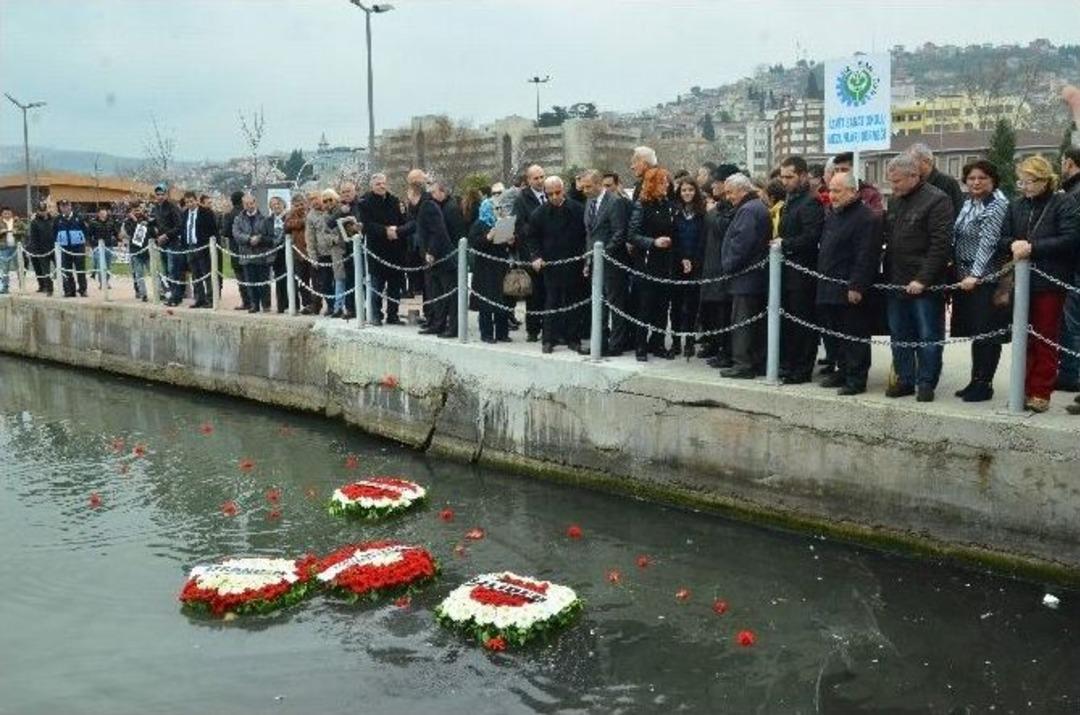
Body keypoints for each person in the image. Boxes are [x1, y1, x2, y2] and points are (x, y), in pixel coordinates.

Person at [998, 156, 1078, 413]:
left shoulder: (1063, 202)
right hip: (1021, 280)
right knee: (1023, 336)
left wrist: (1034, 248)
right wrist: (1012, 244)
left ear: (1045, 179)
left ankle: (1040, 390)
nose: (1026, 186)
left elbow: (1071, 239)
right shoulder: (1016, 205)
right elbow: (1003, 237)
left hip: (1050, 279)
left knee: (1045, 335)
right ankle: (1021, 387)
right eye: (1022, 181)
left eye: (1031, 181)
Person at [882, 153, 953, 402]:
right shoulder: (895, 201)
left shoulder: (937, 200)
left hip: (924, 284)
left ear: (914, 176)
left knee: (928, 336)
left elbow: (940, 245)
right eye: (891, 182)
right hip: (896, 280)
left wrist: (923, 279)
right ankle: (905, 379)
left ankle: (926, 382)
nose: (893, 187)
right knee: (899, 334)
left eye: (897, 182)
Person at [816, 171, 883, 395]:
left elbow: (866, 255)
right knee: (835, 334)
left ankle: (856, 378)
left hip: (849, 287)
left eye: (837, 191)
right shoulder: (833, 214)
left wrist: (856, 286)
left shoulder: (866, 217)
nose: (832, 195)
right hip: (829, 285)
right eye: (830, 190)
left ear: (853, 191)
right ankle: (842, 370)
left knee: (854, 335)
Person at [950, 160, 1010, 402]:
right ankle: (975, 380)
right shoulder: (969, 203)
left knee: (987, 333)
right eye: (971, 178)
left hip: (985, 278)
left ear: (993, 180)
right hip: (966, 276)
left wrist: (975, 275)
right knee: (976, 331)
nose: (976, 182)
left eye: (982, 178)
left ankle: (985, 384)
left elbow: (988, 243)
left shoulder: (997, 205)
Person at [776, 155, 825, 385]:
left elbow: (811, 236)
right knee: (789, 322)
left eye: (790, 176)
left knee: (802, 323)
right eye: (782, 176)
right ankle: (789, 364)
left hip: (803, 273)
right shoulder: (791, 200)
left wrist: (785, 245)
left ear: (803, 176)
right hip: (788, 271)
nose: (785, 181)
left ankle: (802, 368)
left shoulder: (810, 201)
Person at [528, 176, 587, 354]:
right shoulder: (539, 213)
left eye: (558, 193)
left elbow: (585, 235)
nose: (554, 197)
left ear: (563, 191)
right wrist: (536, 257)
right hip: (550, 264)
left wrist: (585, 258)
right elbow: (532, 238)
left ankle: (573, 338)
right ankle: (548, 339)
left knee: (573, 302)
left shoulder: (577, 209)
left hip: (573, 262)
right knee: (551, 302)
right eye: (550, 194)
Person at [719, 173, 771, 378]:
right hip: (753, 277)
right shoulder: (757, 207)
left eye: (730, 192)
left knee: (743, 323)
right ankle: (754, 362)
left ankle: (743, 365)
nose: (728, 197)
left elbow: (741, 243)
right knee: (751, 324)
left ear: (742, 190)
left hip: (746, 278)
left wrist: (728, 266)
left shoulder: (748, 210)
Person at [628, 167, 677, 361]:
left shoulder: (668, 205)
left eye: (666, 181)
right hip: (647, 262)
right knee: (645, 305)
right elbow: (632, 235)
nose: (666, 185)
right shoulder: (641, 205)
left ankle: (657, 343)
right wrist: (653, 242)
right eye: (662, 182)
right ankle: (641, 345)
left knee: (662, 306)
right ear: (653, 184)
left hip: (665, 262)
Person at [582, 169, 630, 355]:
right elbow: (589, 234)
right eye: (583, 187)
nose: (584, 190)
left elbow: (619, 232)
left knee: (615, 303)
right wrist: (588, 259)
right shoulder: (589, 202)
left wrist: (604, 253)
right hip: (595, 261)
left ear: (599, 184)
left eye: (588, 186)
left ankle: (616, 344)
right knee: (598, 303)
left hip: (612, 261)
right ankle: (599, 342)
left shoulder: (614, 202)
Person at [698, 165, 741, 366]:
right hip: (711, 264)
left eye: (717, 181)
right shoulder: (718, 205)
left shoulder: (731, 206)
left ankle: (728, 352)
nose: (713, 184)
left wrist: (713, 212)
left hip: (724, 267)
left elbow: (725, 228)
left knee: (725, 313)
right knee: (714, 312)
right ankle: (718, 346)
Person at [359, 173, 406, 325]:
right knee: (377, 285)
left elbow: (401, 220)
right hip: (377, 249)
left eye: (384, 183)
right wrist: (385, 230)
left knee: (395, 286)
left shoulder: (394, 200)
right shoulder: (365, 202)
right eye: (378, 184)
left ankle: (393, 314)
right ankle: (375, 315)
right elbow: (367, 225)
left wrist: (396, 231)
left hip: (395, 249)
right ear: (372, 186)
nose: (382, 186)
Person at [411, 181, 456, 336]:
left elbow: (438, 231)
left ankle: (453, 328)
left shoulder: (428, 206)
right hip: (433, 259)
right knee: (436, 294)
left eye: (410, 194)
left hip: (441, 257)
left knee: (448, 294)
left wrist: (431, 252)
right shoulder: (422, 207)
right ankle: (439, 324)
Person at [468, 195, 513, 343]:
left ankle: (502, 333)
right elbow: (474, 244)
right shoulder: (479, 224)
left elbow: (510, 245)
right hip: (485, 269)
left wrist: (512, 240)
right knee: (486, 303)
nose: (498, 211)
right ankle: (486, 334)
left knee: (503, 300)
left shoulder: (502, 222)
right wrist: (488, 237)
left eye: (499, 208)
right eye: (495, 208)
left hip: (501, 266)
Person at [671, 176, 706, 357]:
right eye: (684, 190)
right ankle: (676, 342)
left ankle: (690, 342)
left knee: (692, 305)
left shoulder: (702, 213)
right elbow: (673, 238)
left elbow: (703, 240)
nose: (687, 193)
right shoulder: (674, 212)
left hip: (696, 264)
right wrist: (682, 258)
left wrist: (692, 260)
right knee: (676, 305)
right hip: (677, 263)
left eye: (691, 190)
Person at [513, 164, 548, 342]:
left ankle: (549, 328)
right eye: (536, 178)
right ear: (529, 180)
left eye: (542, 177)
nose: (540, 181)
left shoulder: (550, 193)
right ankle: (533, 330)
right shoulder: (522, 199)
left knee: (549, 291)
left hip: (549, 249)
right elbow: (519, 225)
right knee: (534, 293)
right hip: (530, 251)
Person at [1056, 146, 1080, 392]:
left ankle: (1071, 374)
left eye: (1063, 162)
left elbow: (1071, 235)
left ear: (1070, 163)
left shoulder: (1072, 195)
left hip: (1074, 268)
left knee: (1073, 325)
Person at [175, 191, 215, 308]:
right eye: (187, 202)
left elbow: (213, 230)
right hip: (189, 247)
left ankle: (210, 299)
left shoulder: (206, 213)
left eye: (191, 201)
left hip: (202, 246)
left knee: (206, 274)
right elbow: (183, 230)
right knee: (195, 274)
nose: (189, 204)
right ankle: (200, 298)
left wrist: (209, 245)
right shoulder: (184, 214)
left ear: (196, 200)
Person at [304, 189, 341, 317]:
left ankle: (339, 306)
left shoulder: (331, 209)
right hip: (322, 253)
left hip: (336, 250)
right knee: (325, 283)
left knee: (339, 280)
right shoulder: (310, 217)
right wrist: (312, 256)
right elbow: (310, 238)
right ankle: (331, 305)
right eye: (311, 200)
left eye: (316, 199)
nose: (314, 202)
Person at [232, 194, 270, 313]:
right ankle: (254, 304)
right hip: (246, 255)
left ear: (255, 203)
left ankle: (266, 304)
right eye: (246, 204)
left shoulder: (264, 217)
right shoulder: (239, 219)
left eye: (251, 203)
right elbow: (236, 234)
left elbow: (267, 232)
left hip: (261, 255)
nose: (249, 206)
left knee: (263, 281)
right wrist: (249, 239)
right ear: (243, 205)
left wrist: (259, 238)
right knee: (250, 282)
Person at [907, 143, 963, 218]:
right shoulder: (913, 183)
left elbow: (958, 211)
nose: (909, 166)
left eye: (912, 162)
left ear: (926, 161)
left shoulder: (948, 182)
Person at [151, 183, 183, 303]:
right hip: (162, 243)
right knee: (165, 270)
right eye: (157, 194)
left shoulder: (172, 207)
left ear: (166, 194)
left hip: (173, 242)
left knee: (173, 270)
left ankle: (176, 296)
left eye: (162, 194)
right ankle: (169, 294)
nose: (159, 196)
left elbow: (179, 226)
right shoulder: (156, 208)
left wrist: (167, 235)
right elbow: (156, 223)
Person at [53, 199, 89, 298]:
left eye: (66, 205)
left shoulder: (79, 217)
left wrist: (87, 245)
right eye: (62, 206)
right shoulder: (57, 220)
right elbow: (54, 234)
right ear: (60, 208)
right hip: (64, 248)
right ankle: (69, 291)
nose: (65, 208)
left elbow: (86, 231)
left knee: (80, 270)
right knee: (66, 271)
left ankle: (83, 290)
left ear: (70, 206)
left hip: (78, 248)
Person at [121, 202, 156, 302]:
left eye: (138, 209)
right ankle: (143, 294)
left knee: (153, 272)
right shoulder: (128, 222)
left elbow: (153, 232)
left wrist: (148, 223)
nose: (137, 212)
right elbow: (131, 232)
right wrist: (136, 221)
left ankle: (159, 291)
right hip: (135, 252)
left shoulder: (147, 219)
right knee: (139, 274)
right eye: (134, 210)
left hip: (147, 251)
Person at [261, 196, 290, 313]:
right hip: (275, 253)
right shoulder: (267, 221)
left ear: (283, 204)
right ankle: (281, 305)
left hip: (288, 251)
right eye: (273, 205)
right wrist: (273, 241)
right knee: (279, 279)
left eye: (278, 203)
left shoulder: (288, 218)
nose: (276, 206)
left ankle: (293, 304)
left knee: (291, 279)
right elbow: (264, 236)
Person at [220, 191, 247, 310]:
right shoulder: (246, 212)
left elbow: (225, 232)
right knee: (250, 276)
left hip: (235, 249)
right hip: (248, 249)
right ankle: (255, 302)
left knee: (241, 277)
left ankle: (246, 301)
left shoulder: (230, 215)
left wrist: (225, 217)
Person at [284, 191, 309, 313]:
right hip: (299, 253)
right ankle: (305, 304)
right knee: (302, 280)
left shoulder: (310, 212)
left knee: (315, 281)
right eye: (297, 205)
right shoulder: (290, 215)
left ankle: (314, 304)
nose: (300, 207)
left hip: (312, 251)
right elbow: (288, 225)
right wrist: (302, 222)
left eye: (301, 204)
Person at [87, 207, 117, 290]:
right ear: (98, 214)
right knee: (101, 265)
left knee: (108, 265)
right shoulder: (93, 223)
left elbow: (115, 233)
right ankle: (102, 282)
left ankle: (106, 281)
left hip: (109, 246)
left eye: (105, 213)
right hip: (98, 247)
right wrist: (92, 245)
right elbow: (89, 235)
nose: (104, 215)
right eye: (102, 213)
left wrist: (118, 241)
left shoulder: (111, 222)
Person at [27, 201, 54, 294]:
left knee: (60, 268)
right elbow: (34, 238)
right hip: (41, 250)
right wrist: (37, 250)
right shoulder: (34, 222)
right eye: (40, 210)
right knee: (43, 270)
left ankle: (66, 287)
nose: (43, 212)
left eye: (44, 210)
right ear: (37, 211)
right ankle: (47, 287)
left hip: (53, 248)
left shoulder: (53, 220)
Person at [0, 206, 27, 295]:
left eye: (8, 213)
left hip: (16, 248)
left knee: (19, 267)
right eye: (5, 213)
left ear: (11, 213)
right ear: (2, 214)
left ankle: (22, 287)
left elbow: (25, 231)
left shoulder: (17, 221)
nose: (7, 215)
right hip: (4, 248)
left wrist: (17, 232)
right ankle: (5, 287)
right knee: (5, 269)